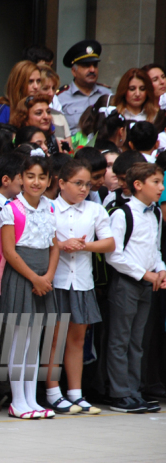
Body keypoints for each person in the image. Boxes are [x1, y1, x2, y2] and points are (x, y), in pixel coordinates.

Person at [45, 158, 114, 415]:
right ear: (61, 183)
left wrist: (84, 245)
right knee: (54, 339)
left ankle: (75, 393)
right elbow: (42, 241)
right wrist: (63, 245)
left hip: (83, 282)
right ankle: (53, 393)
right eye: (77, 183)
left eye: (86, 184)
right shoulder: (49, 208)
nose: (84, 189)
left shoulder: (95, 210)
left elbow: (109, 244)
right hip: (57, 280)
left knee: (77, 339)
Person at [0, 155, 58, 420]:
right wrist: (35, 279)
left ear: (49, 181)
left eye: (42, 177)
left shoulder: (52, 207)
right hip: (22, 278)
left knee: (35, 343)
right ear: (20, 179)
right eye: (30, 176)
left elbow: (54, 245)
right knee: (19, 342)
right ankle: (18, 401)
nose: (36, 182)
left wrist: (48, 276)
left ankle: (32, 399)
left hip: (44, 279)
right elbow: (9, 252)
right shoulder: (11, 209)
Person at [105, 163, 166, 413]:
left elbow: (155, 248)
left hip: (147, 284)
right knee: (120, 339)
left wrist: (161, 269)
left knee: (137, 341)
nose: (161, 188)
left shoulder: (156, 214)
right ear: (138, 185)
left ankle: (134, 391)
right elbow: (114, 255)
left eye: (161, 182)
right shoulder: (122, 213)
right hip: (126, 284)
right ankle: (119, 394)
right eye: (156, 182)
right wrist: (145, 273)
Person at [58, 40, 111, 133]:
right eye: (86, 66)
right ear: (74, 71)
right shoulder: (61, 98)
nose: (92, 70)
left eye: (95, 65)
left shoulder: (107, 94)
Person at [0, 61, 41, 125]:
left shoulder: (43, 110)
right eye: (30, 81)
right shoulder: (5, 109)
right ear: (19, 83)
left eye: (38, 81)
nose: (36, 86)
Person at [38, 64, 71, 148]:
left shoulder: (60, 116)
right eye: (45, 88)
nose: (51, 93)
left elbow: (70, 150)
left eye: (53, 88)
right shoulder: (26, 114)